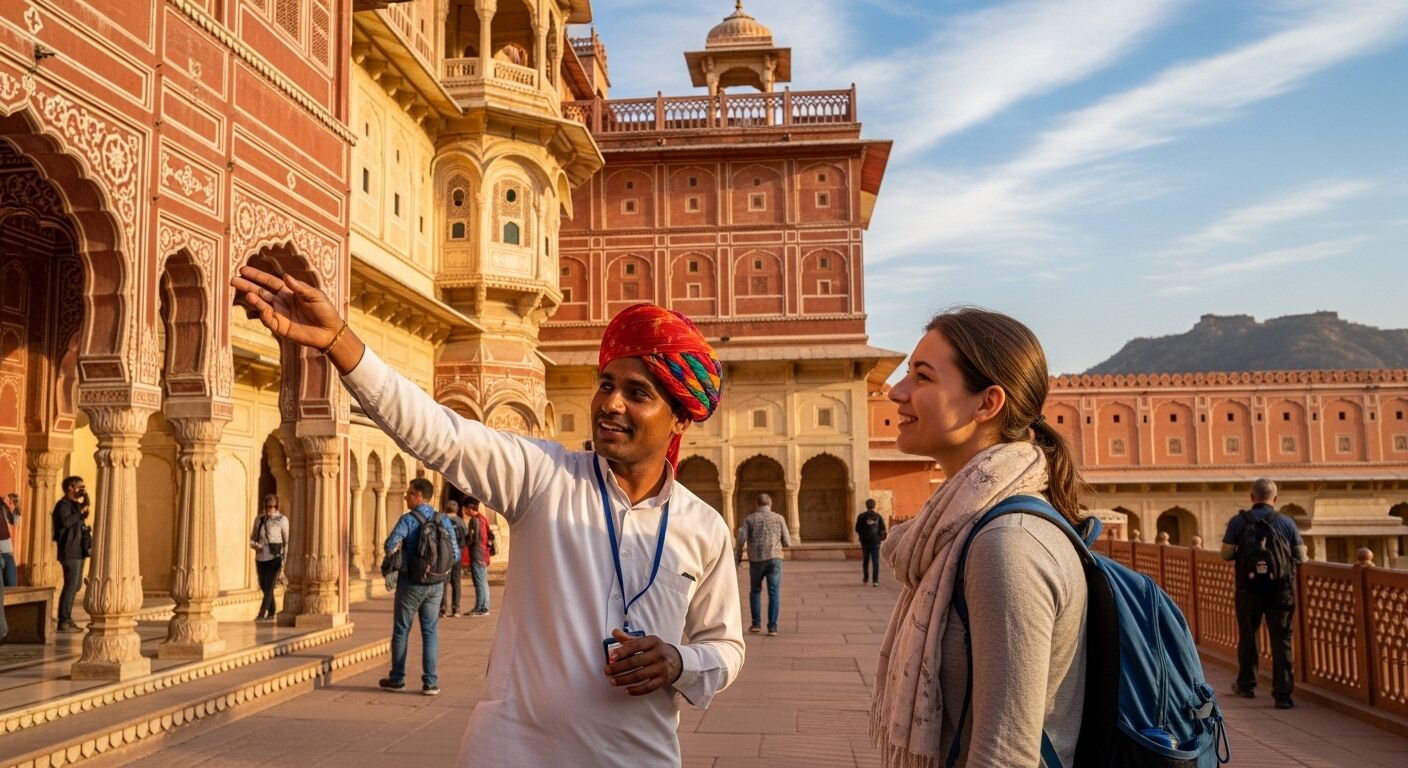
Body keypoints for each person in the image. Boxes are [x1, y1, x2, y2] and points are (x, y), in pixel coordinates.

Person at [232, 265, 743, 766]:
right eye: (606, 384)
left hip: (639, 756)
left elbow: (725, 646)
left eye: (637, 394)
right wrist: (338, 341)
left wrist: (680, 661)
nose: (610, 404)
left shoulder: (703, 529)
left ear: (679, 416)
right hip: (512, 750)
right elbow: (439, 432)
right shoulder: (545, 478)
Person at [871, 307, 1087, 768]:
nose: (896, 392)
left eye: (923, 377)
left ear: (987, 403)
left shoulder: (1007, 545)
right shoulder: (963, 530)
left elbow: (1005, 756)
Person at [1220, 477, 1306, 710]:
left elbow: (1226, 554)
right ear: (1275, 499)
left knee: (1248, 636)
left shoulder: (1239, 521)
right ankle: (1283, 695)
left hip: (1248, 590)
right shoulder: (1286, 522)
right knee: (1282, 640)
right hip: (1281, 590)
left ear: (1252, 497)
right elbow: (1301, 557)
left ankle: (1247, 685)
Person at [382, 477, 460, 695]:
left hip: (410, 583)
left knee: (401, 630)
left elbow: (390, 545)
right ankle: (431, 682)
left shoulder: (408, 520)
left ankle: (397, 678)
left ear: (417, 495)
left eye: (409, 493)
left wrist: (400, 559)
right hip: (436, 585)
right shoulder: (443, 519)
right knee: (430, 632)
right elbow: (455, 554)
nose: (406, 497)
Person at [735, 493, 789, 636]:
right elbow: (787, 541)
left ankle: (756, 624)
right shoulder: (778, 518)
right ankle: (772, 627)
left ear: (756, 504)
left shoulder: (750, 519)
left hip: (757, 559)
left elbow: (741, 538)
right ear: (770, 504)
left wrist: (738, 557)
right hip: (774, 558)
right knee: (774, 592)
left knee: (755, 590)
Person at [52, 476, 90, 632]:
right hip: (69, 550)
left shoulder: (75, 505)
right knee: (71, 585)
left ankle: (67, 618)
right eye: (79, 486)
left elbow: (85, 509)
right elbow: (66, 522)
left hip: (79, 550)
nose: (81, 489)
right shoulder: (63, 505)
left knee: (76, 585)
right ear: (70, 487)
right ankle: (64, 620)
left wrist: (85, 498)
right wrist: (80, 511)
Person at [250, 494, 290, 622]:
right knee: (263, 584)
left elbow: (287, 541)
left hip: (275, 557)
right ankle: (272, 611)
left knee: (269, 585)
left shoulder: (282, 520)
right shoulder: (259, 520)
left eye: (273, 506)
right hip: (261, 557)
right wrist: (256, 545)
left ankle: (262, 614)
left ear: (276, 506)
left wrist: (285, 560)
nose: (270, 509)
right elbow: (252, 538)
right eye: (268, 506)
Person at [464, 497, 493, 617]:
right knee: (483, 581)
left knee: (480, 581)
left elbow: (474, 538)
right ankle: (482, 605)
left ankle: (482, 607)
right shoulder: (483, 519)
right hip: (483, 553)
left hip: (477, 553)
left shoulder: (474, 521)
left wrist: (466, 540)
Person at [440, 499, 468, 618]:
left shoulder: (442, 521)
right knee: (456, 582)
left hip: (445, 554)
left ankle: (443, 609)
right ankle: (456, 609)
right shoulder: (461, 522)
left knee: (443, 581)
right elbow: (465, 538)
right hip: (457, 553)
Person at [855, 498, 886, 587]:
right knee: (875, 561)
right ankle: (875, 580)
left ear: (866, 506)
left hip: (865, 542)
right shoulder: (878, 516)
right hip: (875, 542)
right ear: (874, 506)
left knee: (865, 560)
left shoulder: (861, 516)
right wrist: (879, 538)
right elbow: (882, 529)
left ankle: (865, 578)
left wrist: (862, 536)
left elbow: (857, 529)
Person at [1, 491, 20, 587]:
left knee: (12, 586)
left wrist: (17, 506)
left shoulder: (2, 504)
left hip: (7, 551)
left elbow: (15, 521)